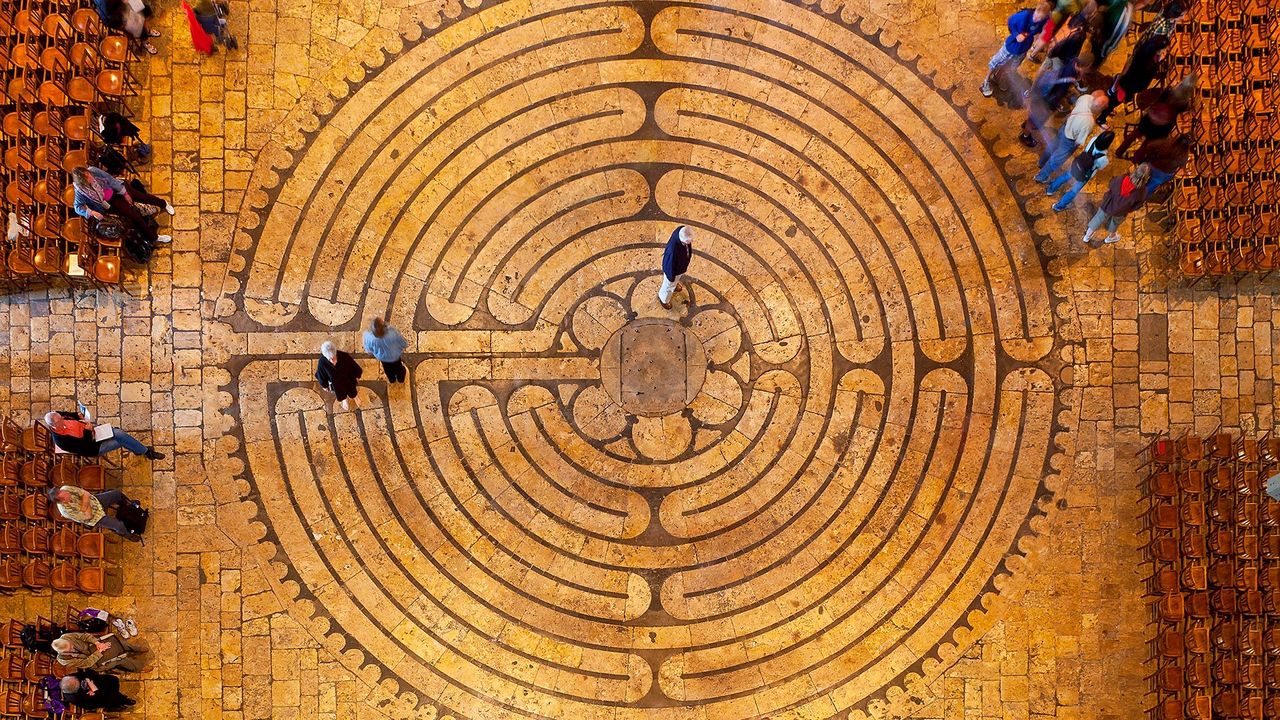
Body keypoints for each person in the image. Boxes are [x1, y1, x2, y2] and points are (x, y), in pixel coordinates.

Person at [71, 166, 171, 247]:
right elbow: (77, 207)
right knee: (135, 216)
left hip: (117, 188)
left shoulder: (93, 170)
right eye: (87, 177)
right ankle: (154, 237)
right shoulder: (80, 191)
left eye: (88, 174)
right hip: (111, 201)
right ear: (82, 182)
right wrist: (91, 212)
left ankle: (164, 204)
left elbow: (110, 180)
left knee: (142, 196)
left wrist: (125, 193)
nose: (90, 176)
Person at [982, 2, 1053, 97]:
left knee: (1011, 65)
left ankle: (998, 77)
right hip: (1011, 46)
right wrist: (1016, 34)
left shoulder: (1043, 20)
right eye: (1036, 16)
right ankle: (986, 81)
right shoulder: (1024, 16)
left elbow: (1041, 31)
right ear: (1036, 10)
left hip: (1023, 49)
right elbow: (1010, 21)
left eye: (1040, 18)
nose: (1037, 20)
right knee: (996, 62)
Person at [1097, 33, 1170, 125]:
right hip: (1129, 86)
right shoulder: (1151, 65)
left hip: (1126, 79)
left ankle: (1107, 109)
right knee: (1114, 101)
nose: (1166, 52)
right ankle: (1101, 118)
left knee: (1115, 99)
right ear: (1159, 51)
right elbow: (1144, 83)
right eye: (1165, 50)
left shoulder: (1144, 50)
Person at [1035, 90, 1107, 182]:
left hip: (1064, 127)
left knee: (1052, 146)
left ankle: (1041, 163)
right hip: (1069, 141)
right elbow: (1079, 141)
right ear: (1099, 108)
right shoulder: (1089, 122)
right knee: (1056, 160)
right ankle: (1041, 177)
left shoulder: (1085, 98)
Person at [43, 410, 164, 460]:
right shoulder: (61, 441)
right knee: (121, 438)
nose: (64, 420)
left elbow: (67, 414)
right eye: (61, 421)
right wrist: (87, 431)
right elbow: (84, 446)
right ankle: (146, 452)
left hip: (95, 432)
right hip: (93, 446)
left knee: (119, 433)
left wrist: (77, 415)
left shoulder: (58, 416)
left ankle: (141, 451)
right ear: (53, 426)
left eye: (62, 418)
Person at [1084, 163, 1151, 245]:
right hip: (1121, 211)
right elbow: (1137, 206)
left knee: (1098, 218)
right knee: (1114, 223)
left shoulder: (1122, 179)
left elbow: (1111, 184)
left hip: (1108, 204)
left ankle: (1087, 237)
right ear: (1146, 178)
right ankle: (1110, 237)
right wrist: (1128, 209)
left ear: (1136, 171)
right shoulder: (1142, 192)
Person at [1047, 130, 1114, 211]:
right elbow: (1100, 167)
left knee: (1065, 176)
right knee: (1073, 191)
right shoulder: (1104, 159)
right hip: (1085, 174)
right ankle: (1059, 206)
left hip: (1078, 164)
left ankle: (1050, 189)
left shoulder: (1093, 139)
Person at [47, 486, 145, 541]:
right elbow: (88, 516)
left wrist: (84, 506)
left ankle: (129, 504)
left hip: (95, 501)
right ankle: (127, 535)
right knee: (119, 525)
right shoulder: (66, 511)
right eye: (67, 496)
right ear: (62, 501)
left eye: (66, 492)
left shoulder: (65, 488)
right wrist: (86, 501)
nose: (68, 494)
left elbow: (85, 493)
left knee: (116, 493)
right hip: (95, 517)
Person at [51, 632, 151, 673]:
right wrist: (99, 651)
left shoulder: (65, 637)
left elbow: (85, 636)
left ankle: (135, 649)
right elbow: (87, 663)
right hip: (95, 663)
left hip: (92, 647)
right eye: (70, 649)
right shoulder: (64, 661)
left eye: (71, 644)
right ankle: (138, 668)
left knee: (118, 643)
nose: (73, 646)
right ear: (63, 652)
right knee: (120, 660)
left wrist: (97, 643)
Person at [315, 341, 363, 411]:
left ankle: (355, 396)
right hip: (335, 382)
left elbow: (353, 366)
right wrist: (324, 385)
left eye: (333, 358)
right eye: (329, 359)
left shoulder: (344, 356)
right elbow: (321, 374)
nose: (332, 361)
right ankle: (345, 399)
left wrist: (357, 375)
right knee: (340, 392)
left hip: (348, 378)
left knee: (352, 389)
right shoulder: (322, 362)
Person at [60, 670, 136, 711]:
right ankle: (125, 700)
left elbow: (86, 673)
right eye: (78, 684)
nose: (79, 681)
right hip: (98, 697)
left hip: (97, 682)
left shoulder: (71, 678)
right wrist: (92, 693)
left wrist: (90, 681)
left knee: (112, 680)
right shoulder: (73, 698)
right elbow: (89, 706)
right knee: (112, 697)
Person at [363, 317, 408, 383]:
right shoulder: (392, 332)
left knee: (387, 369)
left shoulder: (369, 337)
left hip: (383, 358)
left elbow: (369, 349)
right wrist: (404, 345)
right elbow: (400, 340)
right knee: (399, 368)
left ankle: (391, 379)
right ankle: (401, 379)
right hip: (394, 356)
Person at [658, 225, 694, 310]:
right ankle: (664, 299)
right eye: (689, 242)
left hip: (679, 268)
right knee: (668, 286)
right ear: (683, 240)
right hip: (673, 272)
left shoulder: (681, 231)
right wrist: (671, 279)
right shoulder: (673, 250)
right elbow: (670, 266)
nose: (691, 242)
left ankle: (674, 285)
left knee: (673, 282)